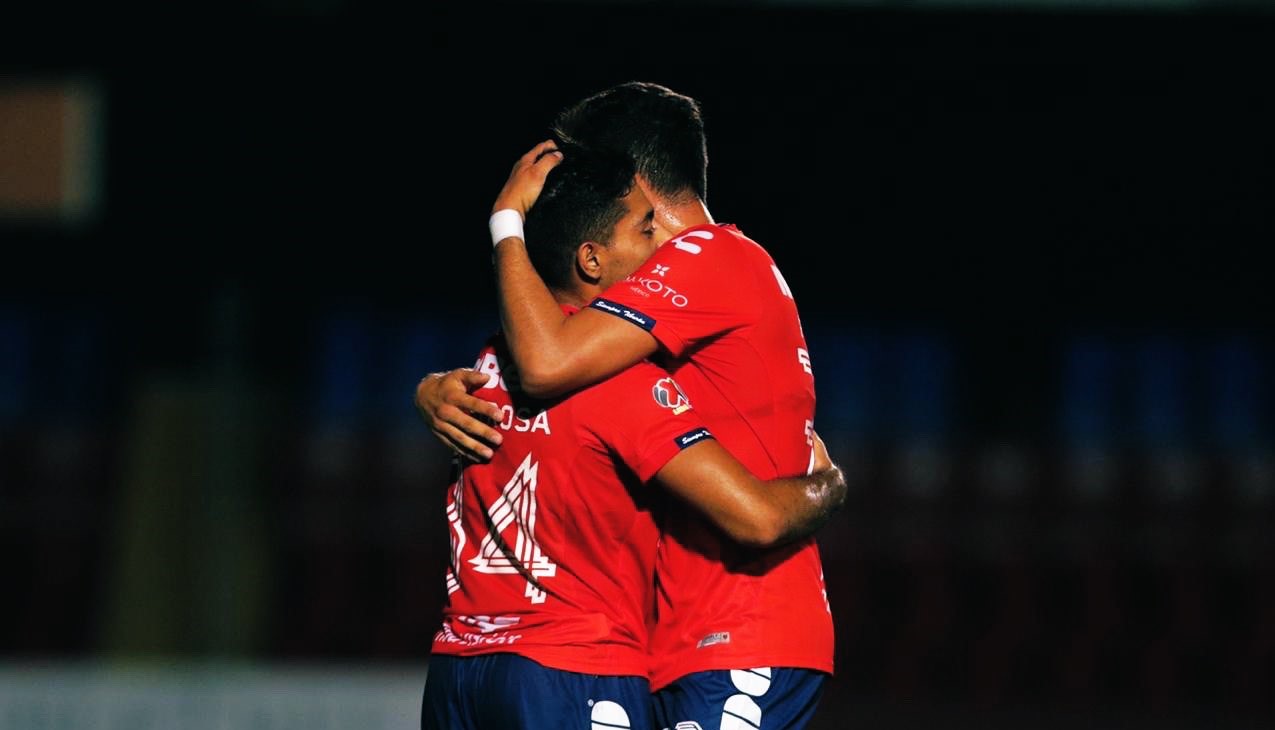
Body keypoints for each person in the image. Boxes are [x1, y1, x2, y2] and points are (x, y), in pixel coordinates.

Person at [419, 81, 836, 729]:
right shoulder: (650, 303)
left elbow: (546, 362)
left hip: (738, 632)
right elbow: (550, 366)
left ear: (635, 179)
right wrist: (445, 386)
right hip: (664, 640)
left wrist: (827, 487)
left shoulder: (706, 257)